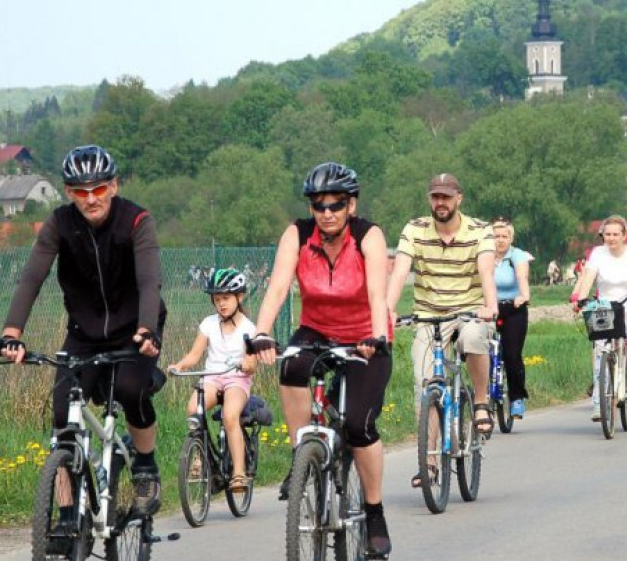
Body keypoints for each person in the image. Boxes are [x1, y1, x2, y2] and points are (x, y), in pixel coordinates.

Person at [0, 144, 167, 520]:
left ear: (114, 186)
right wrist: (12, 333)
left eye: (99, 189)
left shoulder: (137, 221)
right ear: (68, 192)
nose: (91, 199)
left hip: (134, 329)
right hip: (83, 334)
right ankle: (66, 516)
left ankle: (145, 466)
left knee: (131, 389)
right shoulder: (59, 224)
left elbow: (149, 280)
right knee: (63, 419)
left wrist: (148, 329)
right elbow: (31, 278)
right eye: (80, 191)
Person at [252, 162, 392, 557]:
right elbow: (278, 286)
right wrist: (262, 332)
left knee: (358, 424)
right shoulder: (297, 234)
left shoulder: (369, 235)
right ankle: (303, 458)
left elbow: (378, 294)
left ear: (351, 205)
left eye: (336, 204)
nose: (327, 212)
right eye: (319, 205)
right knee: (292, 367)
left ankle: (375, 511)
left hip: (365, 335)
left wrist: (376, 337)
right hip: (316, 329)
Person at [385, 173, 498, 474]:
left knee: (474, 337)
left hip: (470, 310)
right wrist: (387, 310)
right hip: (428, 313)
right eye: (436, 196)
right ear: (429, 199)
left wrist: (490, 306)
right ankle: (430, 462)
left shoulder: (480, 230)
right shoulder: (415, 229)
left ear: (459, 198)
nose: (441, 202)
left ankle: (481, 400)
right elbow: (399, 273)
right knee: (425, 385)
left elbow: (486, 271)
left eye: (447, 197)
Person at [167, 268, 257, 493]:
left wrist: (247, 364)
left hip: (237, 379)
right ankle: (198, 457)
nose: (222, 304)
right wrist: (179, 365)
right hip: (211, 377)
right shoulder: (208, 324)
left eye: (226, 298)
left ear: (239, 297)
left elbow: (251, 362)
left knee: (229, 416)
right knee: (192, 410)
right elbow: (194, 355)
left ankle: (238, 472)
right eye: (217, 300)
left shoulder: (249, 328)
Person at [570, 215, 627, 420]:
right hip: (605, 304)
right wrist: (581, 299)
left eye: (615, 234)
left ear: (624, 235)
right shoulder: (598, 254)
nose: (611, 238)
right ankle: (598, 404)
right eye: (607, 234)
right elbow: (589, 276)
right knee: (600, 350)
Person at [491, 217, 532, 419]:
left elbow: (522, 276)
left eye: (504, 236)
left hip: (513, 308)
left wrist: (523, 296)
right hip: (489, 309)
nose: (500, 240)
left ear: (511, 238)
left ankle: (516, 398)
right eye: (496, 236)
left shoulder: (517, 255)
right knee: (478, 352)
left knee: (511, 355)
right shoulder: (484, 256)